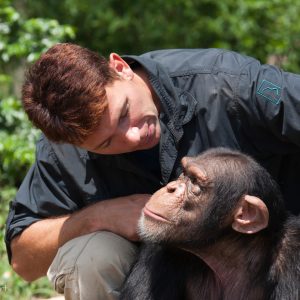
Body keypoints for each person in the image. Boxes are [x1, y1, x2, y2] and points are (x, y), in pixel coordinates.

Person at [5, 43, 300, 300]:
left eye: (124, 113)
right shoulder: (65, 146)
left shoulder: (230, 84)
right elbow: (23, 260)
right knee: (92, 255)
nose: (134, 136)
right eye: (107, 142)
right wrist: (97, 217)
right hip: (163, 276)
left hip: (276, 258)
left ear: (120, 67)